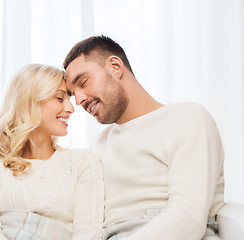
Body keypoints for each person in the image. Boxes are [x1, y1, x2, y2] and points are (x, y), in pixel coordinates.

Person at [63, 35, 224, 240]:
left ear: (115, 66)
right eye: (72, 93)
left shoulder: (187, 118)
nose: (79, 100)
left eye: (83, 82)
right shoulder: (99, 145)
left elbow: (188, 217)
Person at [0, 64, 104, 240]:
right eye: (60, 98)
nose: (71, 108)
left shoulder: (83, 162)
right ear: (29, 101)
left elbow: (88, 233)